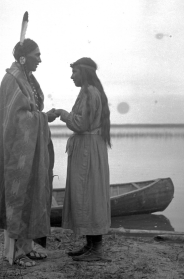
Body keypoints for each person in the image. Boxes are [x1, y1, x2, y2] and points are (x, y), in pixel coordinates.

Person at [0, 33, 57, 267]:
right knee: (16, 197)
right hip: (17, 151)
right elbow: (17, 118)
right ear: (24, 57)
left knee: (30, 195)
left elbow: (30, 111)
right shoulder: (13, 79)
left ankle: (25, 248)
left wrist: (42, 117)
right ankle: (13, 254)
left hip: (30, 150)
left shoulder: (25, 78)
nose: (40, 59)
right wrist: (43, 118)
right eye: (37, 55)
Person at [54, 57, 111, 262]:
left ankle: (96, 249)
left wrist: (62, 113)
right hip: (88, 149)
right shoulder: (88, 92)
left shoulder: (89, 93)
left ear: (84, 72)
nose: (71, 76)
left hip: (88, 150)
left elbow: (81, 124)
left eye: (75, 71)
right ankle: (90, 245)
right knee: (87, 195)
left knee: (89, 195)